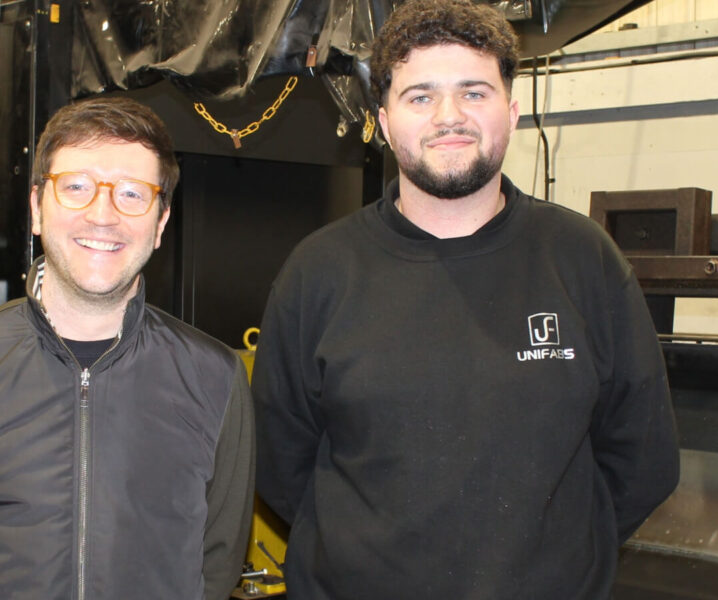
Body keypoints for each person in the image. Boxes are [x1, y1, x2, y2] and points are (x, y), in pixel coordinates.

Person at [251, 1, 680, 598]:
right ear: (382, 118)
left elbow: (643, 459)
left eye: (474, 93)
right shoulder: (318, 273)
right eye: (420, 96)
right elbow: (279, 461)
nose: (448, 116)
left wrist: (553, 562)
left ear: (513, 110)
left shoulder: (584, 260)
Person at [0, 97, 254, 600]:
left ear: (161, 223)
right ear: (36, 208)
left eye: (132, 194)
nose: (103, 215)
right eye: (75, 187)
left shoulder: (216, 380)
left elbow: (218, 564)